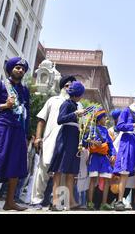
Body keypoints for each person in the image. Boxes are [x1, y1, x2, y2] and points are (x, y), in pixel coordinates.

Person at [0, 57, 30, 211]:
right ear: (11, 68)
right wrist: (5, 105)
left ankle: (10, 202)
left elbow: (27, 112)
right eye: (18, 67)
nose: (21, 70)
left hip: (17, 130)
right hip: (0, 127)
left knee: (16, 164)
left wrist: (26, 134)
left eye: (23, 69)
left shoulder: (24, 90)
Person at [30, 75, 76, 209]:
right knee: (43, 171)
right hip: (50, 140)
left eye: (73, 86)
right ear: (62, 87)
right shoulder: (53, 100)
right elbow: (41, 119)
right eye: (68, 85)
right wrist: (38, 137)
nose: (70, 88)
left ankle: (57, 203)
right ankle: (36, 200)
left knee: (62, 172)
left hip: (67, 143)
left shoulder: (77, 104)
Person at [48, 81, 86, 211]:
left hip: (74, 137)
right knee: (59, 170)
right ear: (78, 93)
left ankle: (71, 202)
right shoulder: (67, 103)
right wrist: (75, 114)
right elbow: (60, 119)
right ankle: (55, 201)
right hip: (65, 137)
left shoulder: (76, 105)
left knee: (71, 172)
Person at [85, 108, 116, 211]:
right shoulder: (91, 129)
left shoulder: (106, 130)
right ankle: (90, 203)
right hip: (94, 158)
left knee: (107, 179)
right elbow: (85, 141)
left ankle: (104, 204)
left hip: (104, 159)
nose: (106, 119)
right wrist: (93, 142)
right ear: (99, 119)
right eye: (104, 117)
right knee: (93, 180)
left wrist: (113, 154)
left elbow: (110, 145)